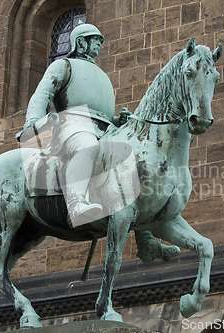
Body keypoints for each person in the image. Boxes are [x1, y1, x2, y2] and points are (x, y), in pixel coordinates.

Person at [21, 22, 179, 262]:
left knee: (135, 168)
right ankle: (76, 203)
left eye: (99, 41)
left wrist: (118, 119)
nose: (98, 45)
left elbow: (101, 113)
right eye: (94, 40)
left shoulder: (102, 76)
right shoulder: (63, 65)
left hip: (103, 129)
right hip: (71, 125)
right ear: (80, 42)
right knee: (88, 147)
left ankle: (146, 241)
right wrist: (33, 123)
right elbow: (42, 95)